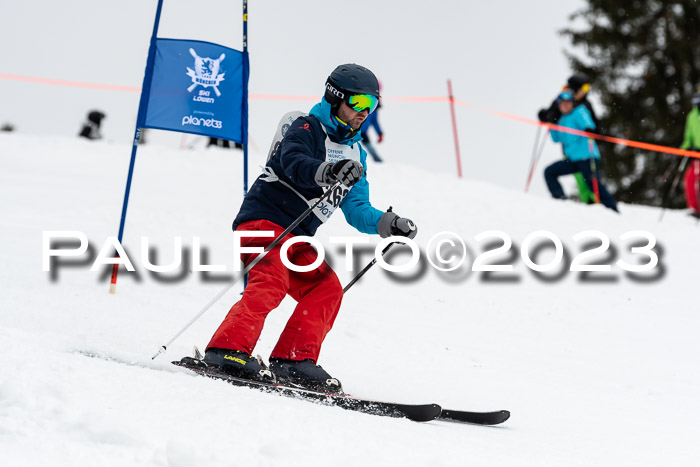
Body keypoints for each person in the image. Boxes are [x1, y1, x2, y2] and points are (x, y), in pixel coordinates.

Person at [202, 64, 417, 392]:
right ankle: (226, 351)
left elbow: (357, 210)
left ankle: (293, 360)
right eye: (358, 103)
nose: (364, 113)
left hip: (296, 236)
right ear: (335, 99)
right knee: (270, 280)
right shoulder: (306, 126)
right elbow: (295, 162)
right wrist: (330, 171)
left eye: (371, 106)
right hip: (265, 218)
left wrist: (388, 224)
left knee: (325, 288)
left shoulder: (355, 154)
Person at [544, 91, 618, 212]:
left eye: (568, 103)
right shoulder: (561, 120)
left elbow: (587, 124)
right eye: (563, 104)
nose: (566, 106)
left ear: (573, 103)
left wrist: (588, 128)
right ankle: (560, 199)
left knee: (592, 183)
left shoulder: (579, 111)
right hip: (572, 159)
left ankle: (612, 208)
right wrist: (552, 123)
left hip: (587, 156)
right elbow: (556, 139)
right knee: (549, 172)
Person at [681, 90, 700, 214]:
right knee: (690, 178)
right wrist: (682, 151)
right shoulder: (692, 116)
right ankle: (694, 208)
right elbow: (688, 138)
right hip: (696, 154)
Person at [360, 81, 384, 162]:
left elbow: (374, 121)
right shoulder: (361, 100)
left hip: (362, 131)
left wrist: (379, 133)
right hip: (353, 128)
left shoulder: (375, 104)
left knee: (367, 144)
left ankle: (377, 159)